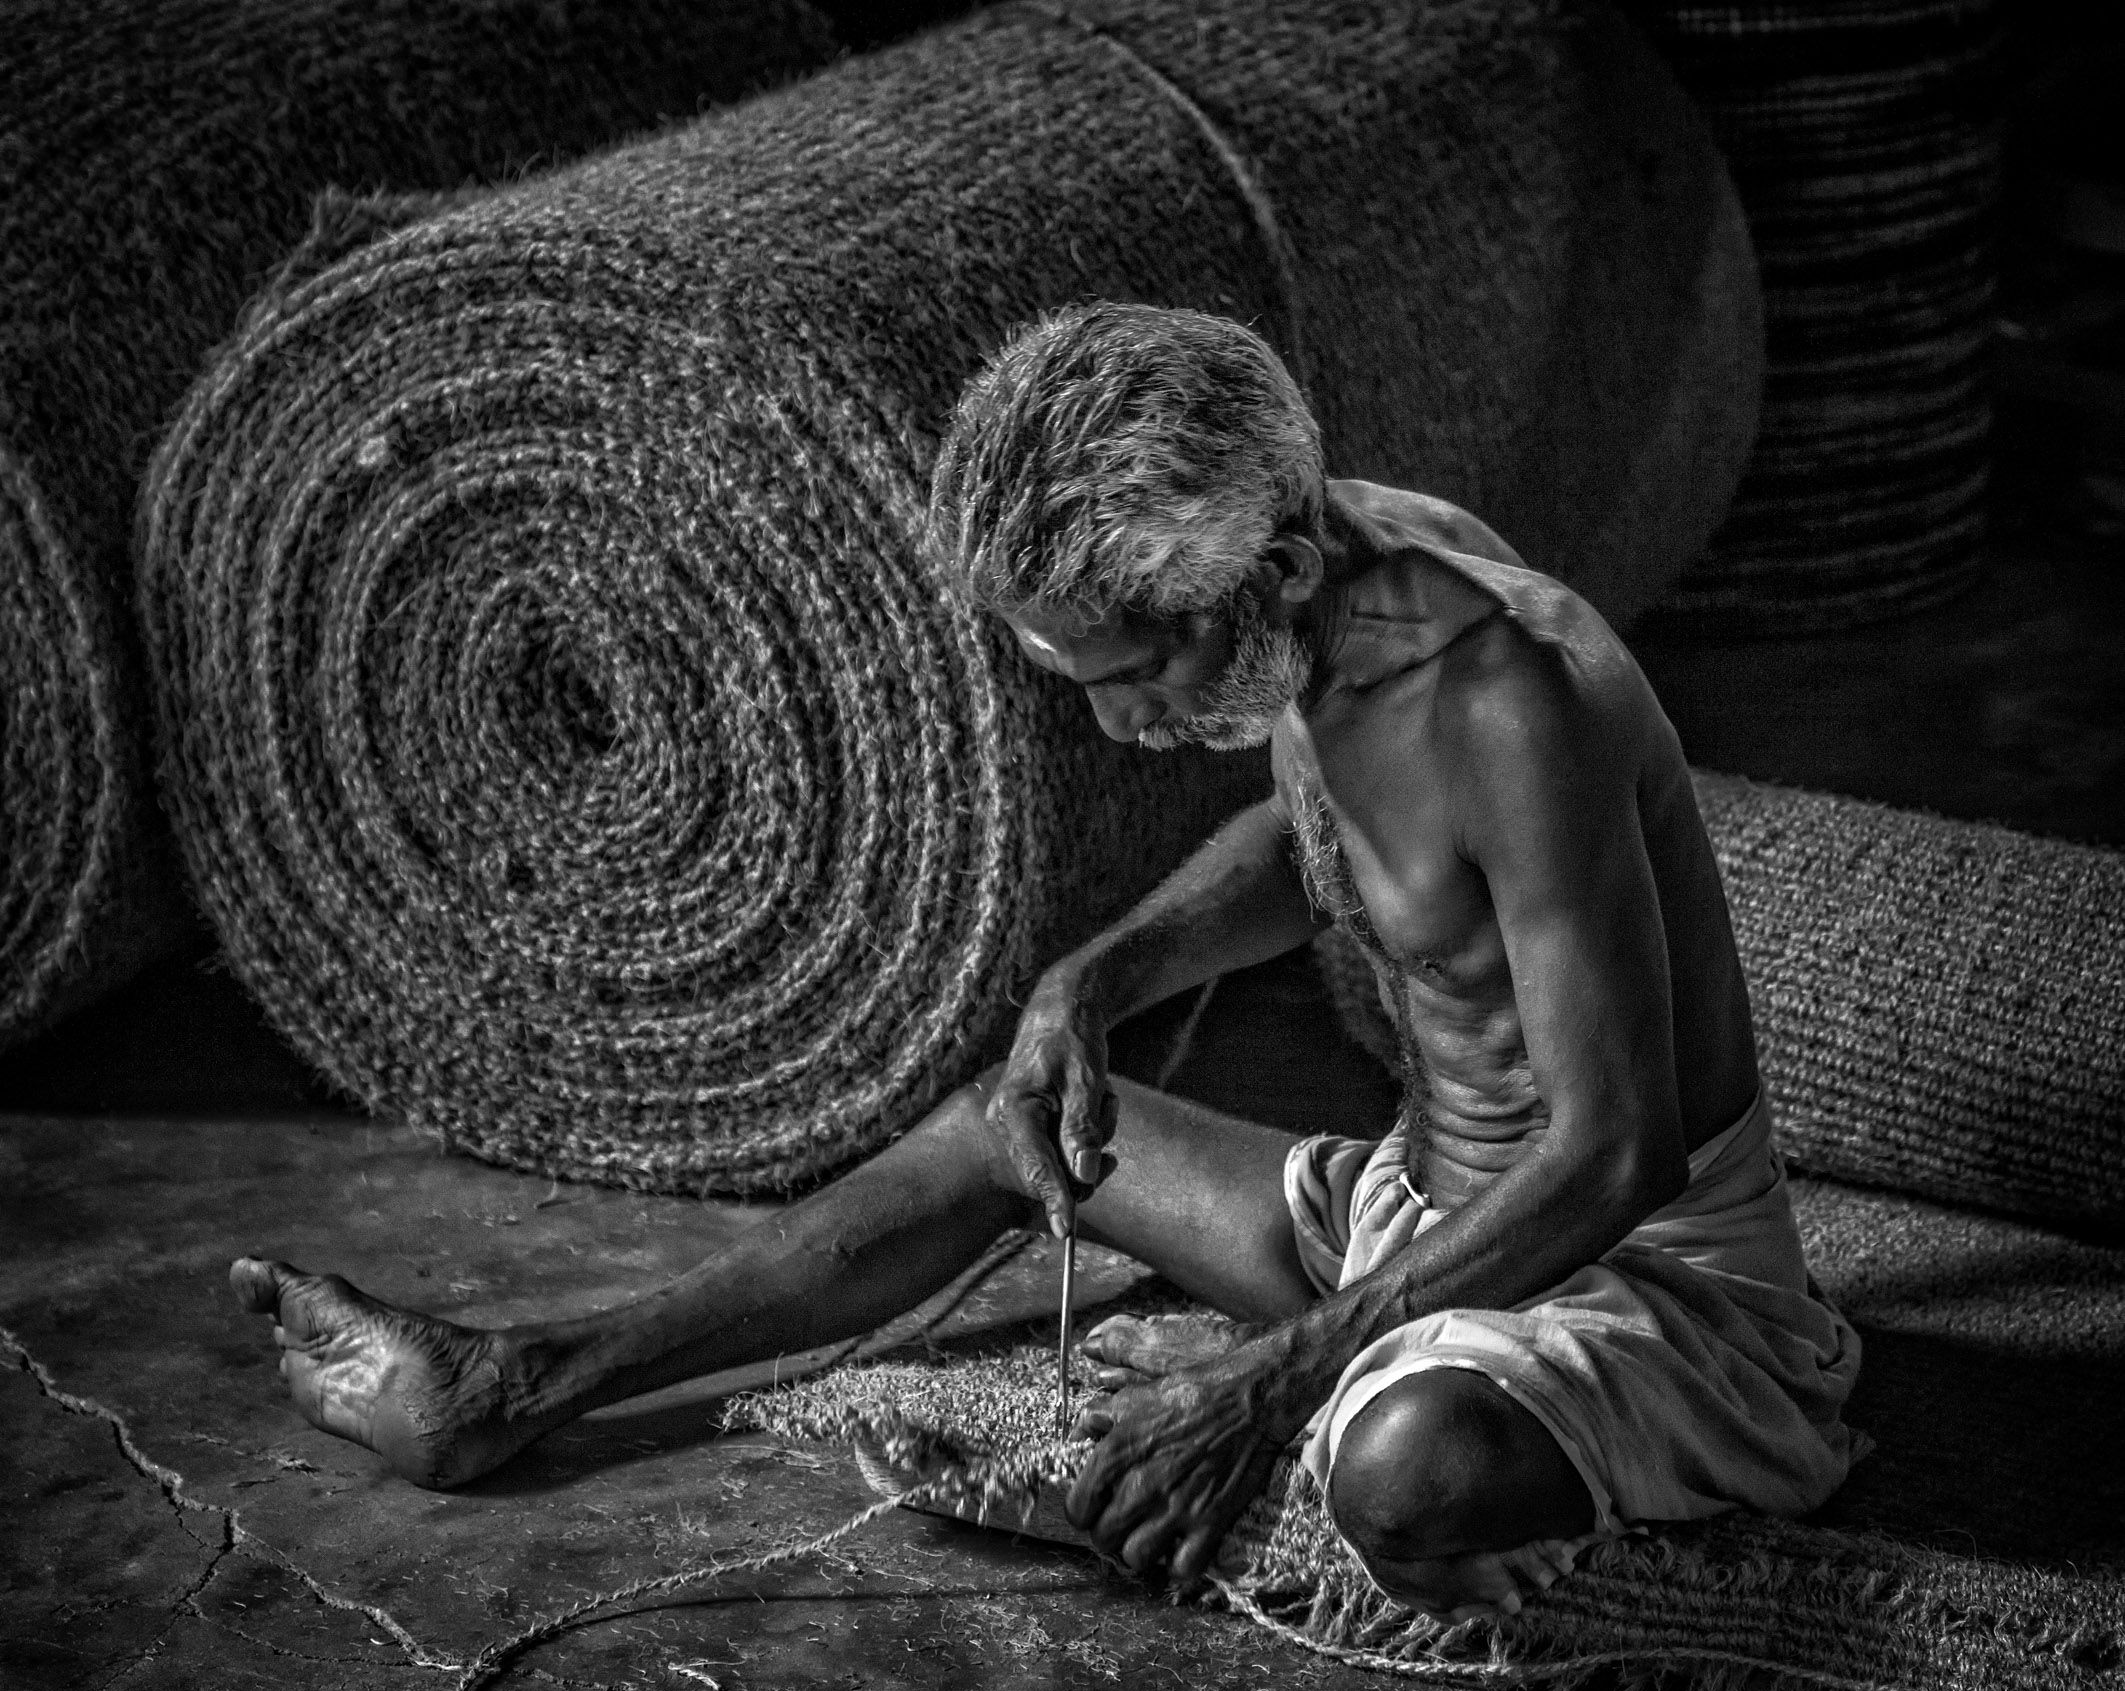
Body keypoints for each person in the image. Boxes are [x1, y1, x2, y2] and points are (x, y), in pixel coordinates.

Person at [231, 302, 1861, 1622]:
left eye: (1136, 666)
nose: (1111, 721)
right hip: (1413, 1219)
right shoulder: (1335, 580)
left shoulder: (1509, 695)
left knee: (1409, 1478)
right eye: (1069, 673)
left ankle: (1320, 1425)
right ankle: (518, 1377)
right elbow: (1338, 842)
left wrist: (1269, 1382)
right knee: (989, 1125)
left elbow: (1611, 1151)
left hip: (1637, 1280)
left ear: (1275, 572)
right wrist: (1091, 978)